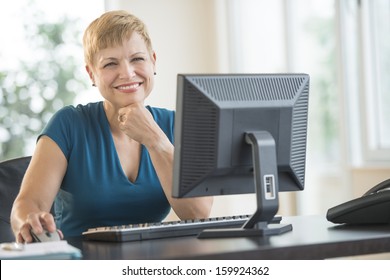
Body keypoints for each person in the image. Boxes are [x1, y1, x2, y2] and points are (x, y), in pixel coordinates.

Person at [11, 10, 213, 243]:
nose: (127, 73)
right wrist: (28, 221)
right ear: (92, 74)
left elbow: (197, 213)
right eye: (110, 64)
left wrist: (156, 140)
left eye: (137, 59)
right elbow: (28, 204)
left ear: (153, 61)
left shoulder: (175, 125)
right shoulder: (68, 124)